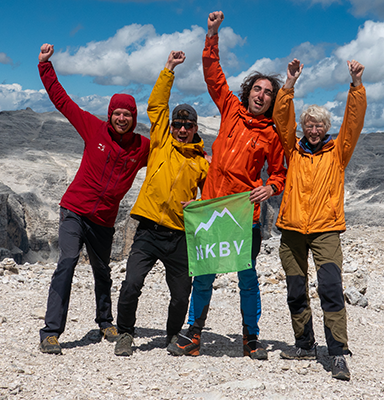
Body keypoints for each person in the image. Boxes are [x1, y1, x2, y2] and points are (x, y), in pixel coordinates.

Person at [167, 10, 287, 360]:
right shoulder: (231, 109)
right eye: (257, 89)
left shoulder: (272, 135)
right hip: (212, 208)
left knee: (247, 277)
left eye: (268, 92)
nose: (261, 95)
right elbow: (213, 75)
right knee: (203, 275)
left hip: (243, 215)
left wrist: (271, 188)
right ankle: (193, 336)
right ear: (248, 91)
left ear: (272, 99)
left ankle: (251, 338)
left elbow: (280, 173)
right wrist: (212, 34)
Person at [37, 43, 150, 355]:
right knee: (68, 262)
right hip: (74, 210)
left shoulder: (142, 148)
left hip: (103, 221)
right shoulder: (93, 128)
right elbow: (63, 101)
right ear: (110, 114)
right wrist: (45, 66)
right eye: (117, 113)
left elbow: (170, 159)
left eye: (127, 114)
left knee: (103, 271)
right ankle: (50, 332)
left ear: (134, 117)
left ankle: (105, 321)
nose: (121, 118)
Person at [272, 58, 366, 381]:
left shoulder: (337, 151)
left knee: (330, 288)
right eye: (308, 125)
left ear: (326, 128)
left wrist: (355, 86)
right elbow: (280, 118)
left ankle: (338, 352)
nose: (313, 130)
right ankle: (304, 343)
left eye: (319, 125)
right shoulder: (293, 150)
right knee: (296, 289)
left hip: (326, 231)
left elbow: (353, 122)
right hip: (292, 231)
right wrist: (289, 84)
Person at [113, 50, 210, 357]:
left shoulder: (202, 163)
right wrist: (169, 69)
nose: (182, 129)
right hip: (149, 230)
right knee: (131, 284)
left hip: (180, 235)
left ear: (195, 129)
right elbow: (157, 105)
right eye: (178, 124)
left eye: (188, 125)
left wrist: (196, 208)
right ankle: (125, 333)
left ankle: (172, 336)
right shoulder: (161, 141)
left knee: (182, 294)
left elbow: (210, 199)